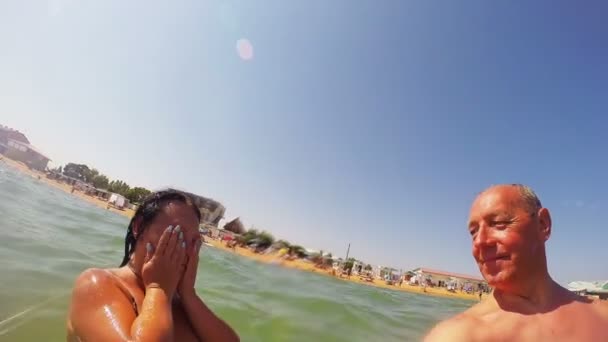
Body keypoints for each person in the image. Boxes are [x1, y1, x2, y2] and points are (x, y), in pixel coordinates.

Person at [424, 184, 608, 341]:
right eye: (473, 232)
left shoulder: (603, 314)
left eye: (498, 223)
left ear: (543, 224)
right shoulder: (459, 335)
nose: (479, 241)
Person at [67, 189, 239, 341]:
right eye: (176, 235)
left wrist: (189, 294)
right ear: (139, 226)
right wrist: (158, 288)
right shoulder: (97, 283)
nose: (185, 251)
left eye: (194, 242)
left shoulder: (181, 302)